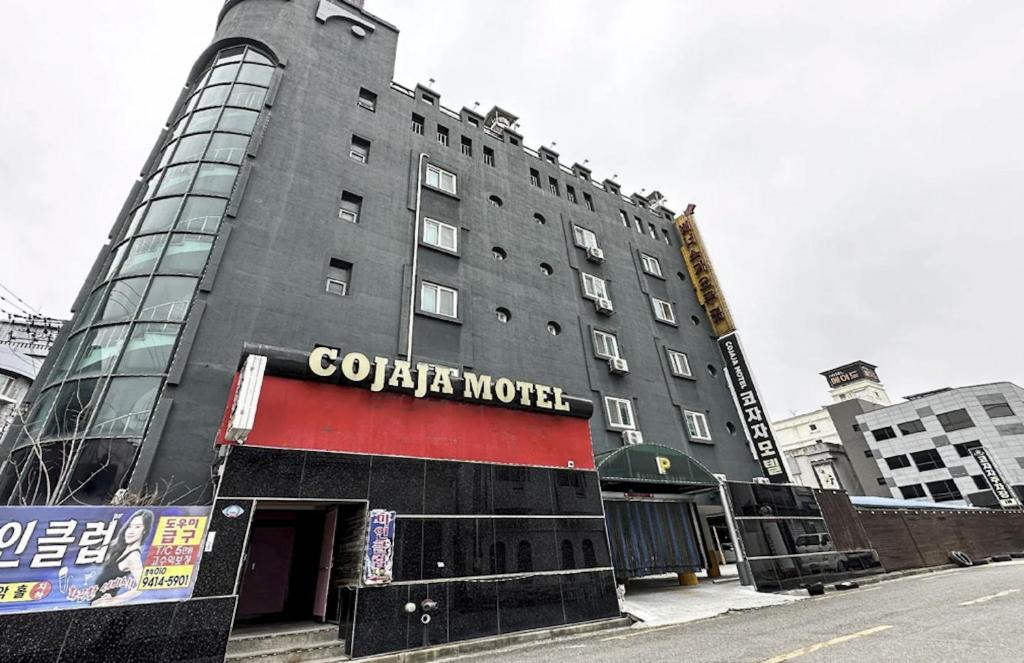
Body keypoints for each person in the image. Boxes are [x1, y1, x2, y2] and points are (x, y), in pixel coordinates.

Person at [91, 509, 154, 606]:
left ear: (144, 531)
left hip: (102, 605)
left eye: (137, 527)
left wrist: (115, 600)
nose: (130, 531)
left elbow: (142, 586)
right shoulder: (120, 549)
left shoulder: (133, 557)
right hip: (95, 601)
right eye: (130, 526)